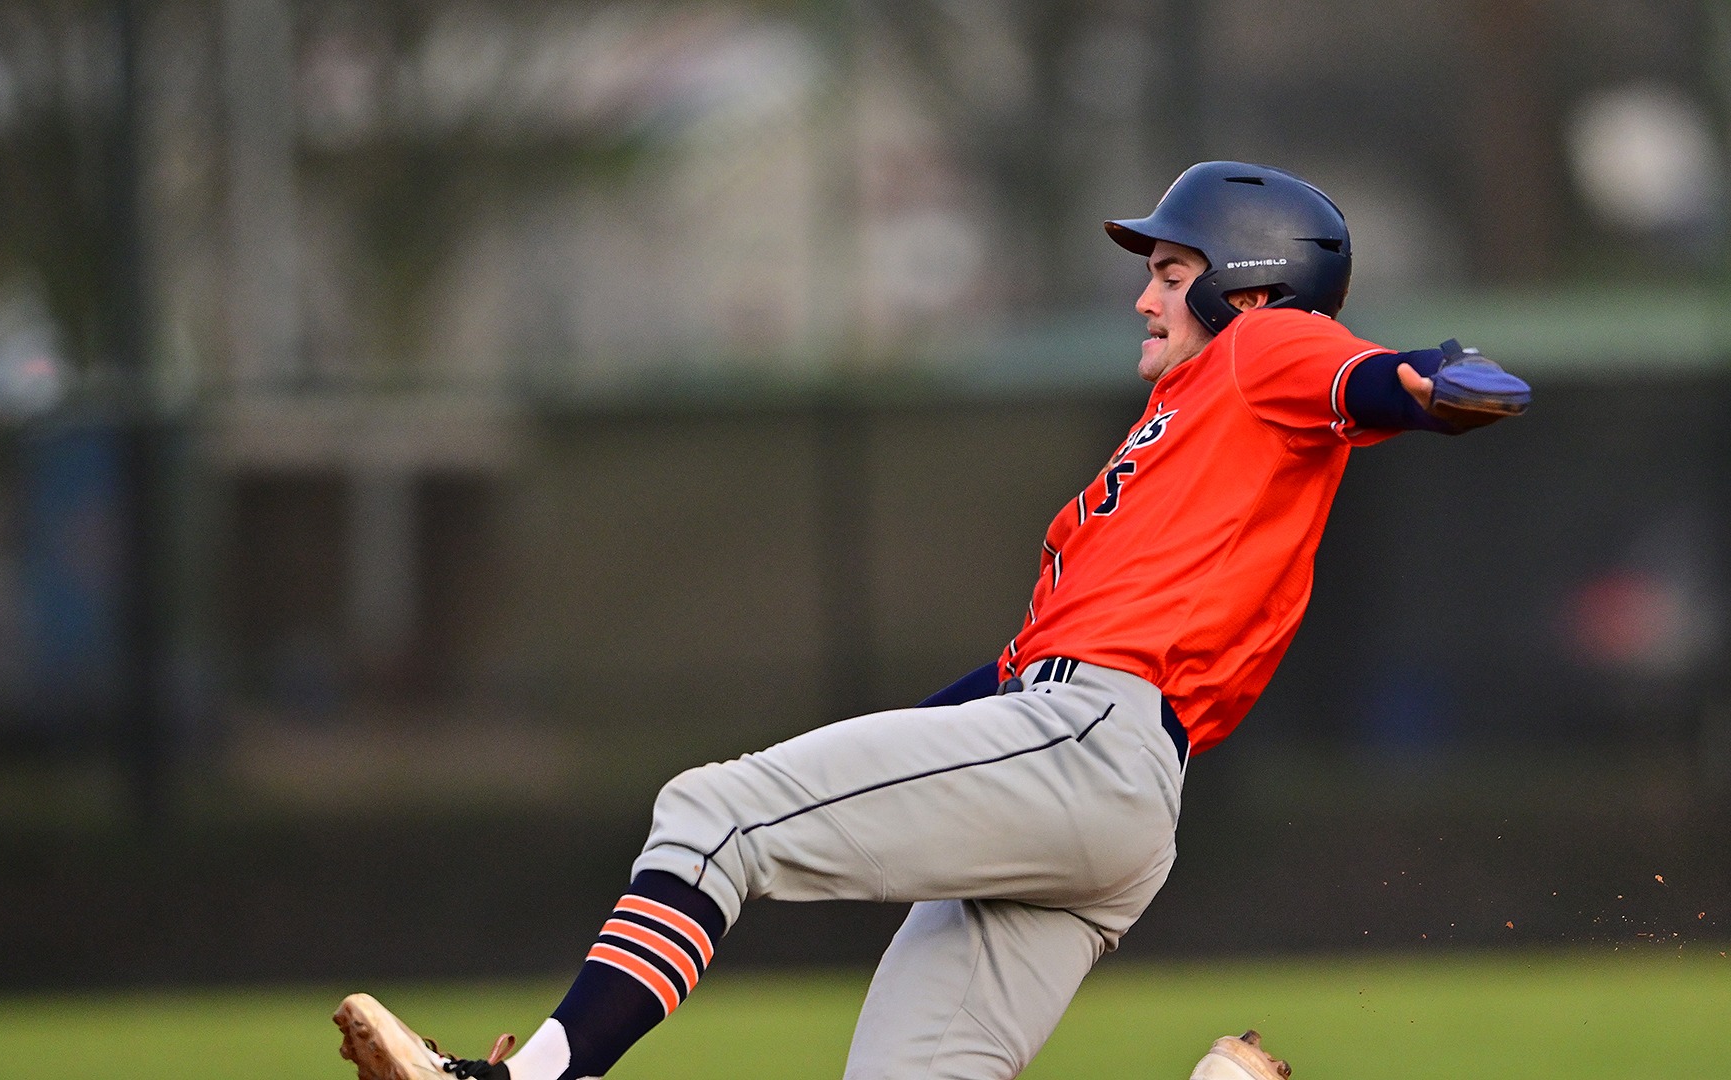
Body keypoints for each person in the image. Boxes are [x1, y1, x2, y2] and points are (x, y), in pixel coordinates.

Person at [332, 161, 1528, 1080]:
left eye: (1172, 270)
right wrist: (887, 764)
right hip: (1092, 783)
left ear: (1251, 284)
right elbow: (996, 690)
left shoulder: (1263, 347)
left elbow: (1370, 379)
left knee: (713, 811)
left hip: (1086, 748)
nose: (1144, 294)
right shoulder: (1185, 457)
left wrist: (1435, 381)